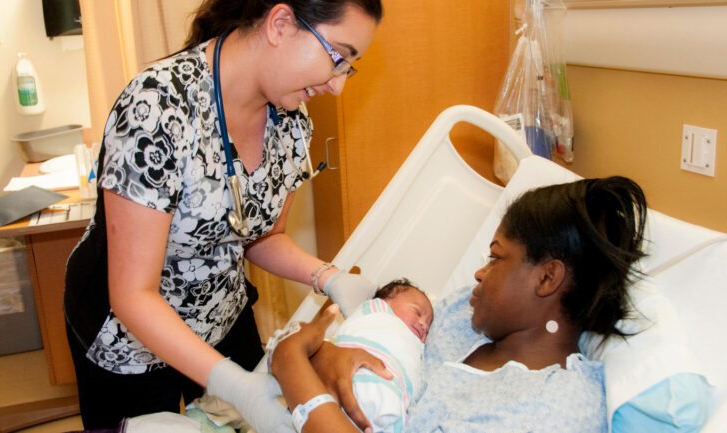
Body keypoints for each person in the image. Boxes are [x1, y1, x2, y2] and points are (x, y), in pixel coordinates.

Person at [62, 1, 385, 432]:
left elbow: (263, 236)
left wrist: (328, 276)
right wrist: (234, 385)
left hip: (220, 310)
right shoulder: (158, 108)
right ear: (281, 24)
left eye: (350, 66)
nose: (338, 85)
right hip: (129, 336)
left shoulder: (291, 120)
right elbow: (133, 295)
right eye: (336, 57)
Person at [271, 176, 648, 433]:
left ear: (547, 278)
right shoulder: (461, 317)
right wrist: (328, 356)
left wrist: (292, 361)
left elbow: (297, 362)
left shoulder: (553, 409)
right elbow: (376, 346)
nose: (480, 274)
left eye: (496, 258)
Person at [329, 279, 433, 433]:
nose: (423, 325)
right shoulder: (376, 316)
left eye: (428, 328)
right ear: (385, 302)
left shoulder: (414, 345)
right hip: (360, 381)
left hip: (394, 396)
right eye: (417, 312)